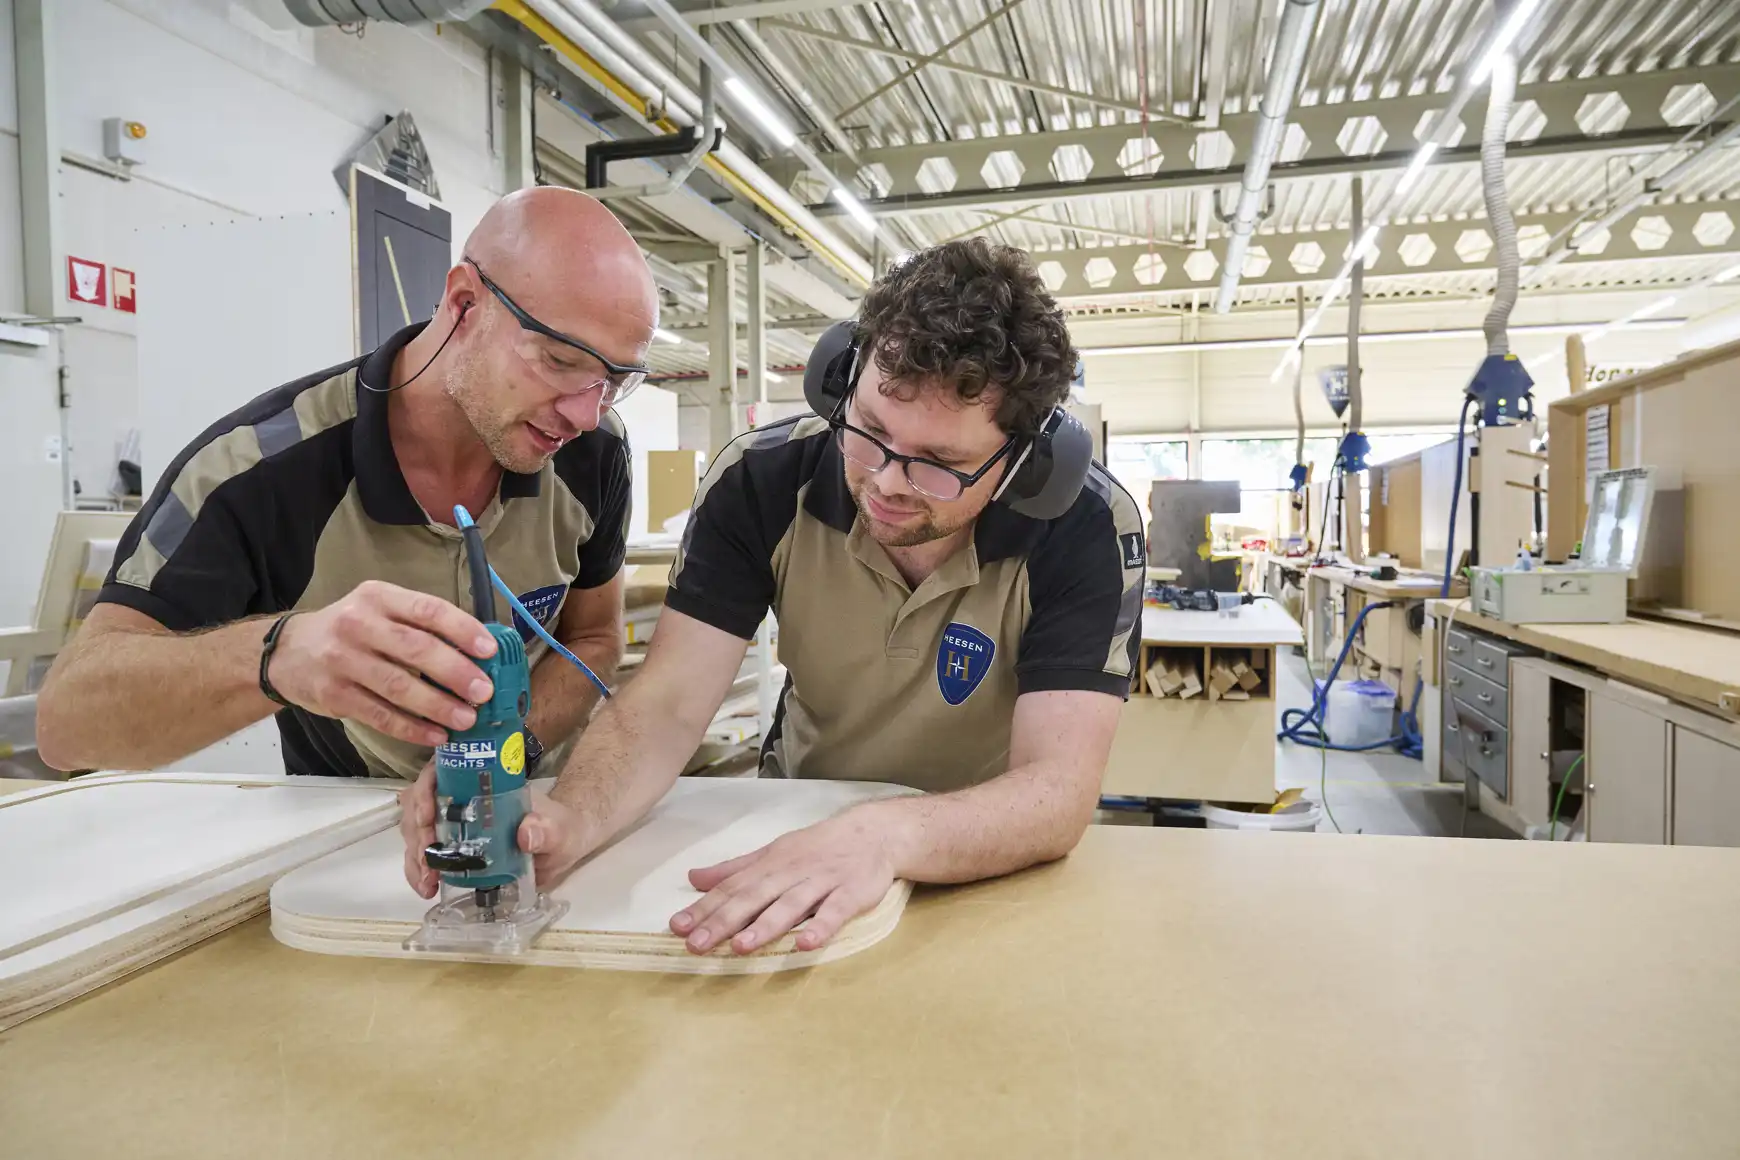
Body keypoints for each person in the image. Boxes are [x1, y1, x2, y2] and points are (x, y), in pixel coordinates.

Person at [400, 238, 1146, 955]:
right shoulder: (761, 481)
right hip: (799, 824)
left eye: (939, 463)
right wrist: (572, 816)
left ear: (1028, 461)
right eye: (871, 431)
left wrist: (885, 834)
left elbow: (1054, 791)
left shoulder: (1085, 527)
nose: (886, 482)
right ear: (839, 382)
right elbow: (666, 704)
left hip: (981, 851)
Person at [36, 187, 654, 785]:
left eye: (615, 380)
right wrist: (279, 656)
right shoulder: (258, 471)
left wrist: (504, 755)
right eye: (561, 361)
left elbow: (592, 637)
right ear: (465, 303)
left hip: (541, 816)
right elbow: (68, 723)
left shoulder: (592, 455)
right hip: (346, 835)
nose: (585, 413)